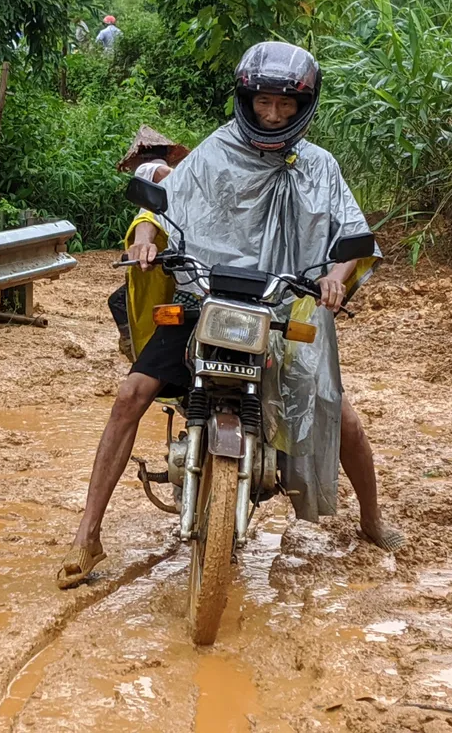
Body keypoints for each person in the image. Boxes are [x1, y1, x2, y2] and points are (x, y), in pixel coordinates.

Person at [57, 41, 405, 590]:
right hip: (204, 303)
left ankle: (372, 518)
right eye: (264, 102)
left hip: (283, 307)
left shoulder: (320, 167)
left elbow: (352, 238)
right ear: (246, 98)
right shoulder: (214, 153)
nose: (272, 114)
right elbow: (159, 210)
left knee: (342, 418)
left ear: (303, 105)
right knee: (129, 397)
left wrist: (336, 276)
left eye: (285, 106)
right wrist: (147, 239)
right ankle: (87, 536)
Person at [109, 126, 191, 361]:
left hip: (159, 262)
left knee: (119, 302)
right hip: (178, 261)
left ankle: (137, 351)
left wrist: (186, 184)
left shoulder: (147, 168)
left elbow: (164, 174)